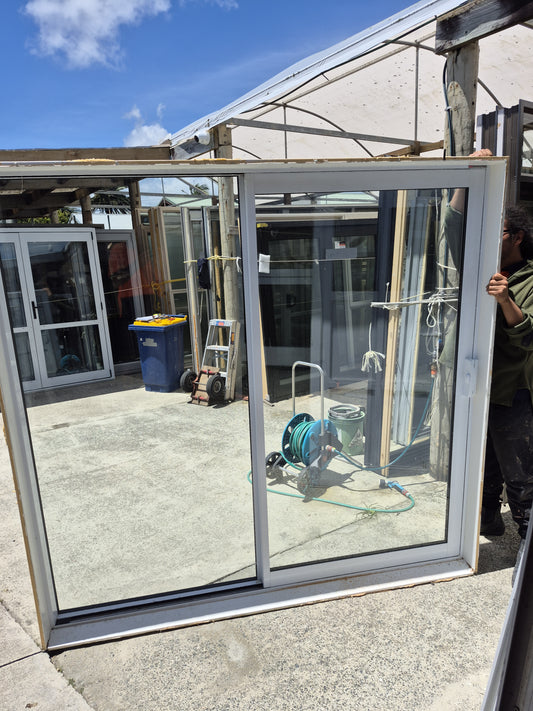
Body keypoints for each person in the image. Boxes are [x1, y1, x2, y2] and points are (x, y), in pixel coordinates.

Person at [447, 150, 533, 557]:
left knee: (520, 472)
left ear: (516, 237)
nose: (491, 237)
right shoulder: (479, 260)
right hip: (474, 379)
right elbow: (453, 222)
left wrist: (504, 299)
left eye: (499, 231)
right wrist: (469, 173)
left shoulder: (529, 278)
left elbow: (527, 334)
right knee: (479, 463)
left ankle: (528, 546)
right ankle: (486, 521)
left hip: (512, 388)